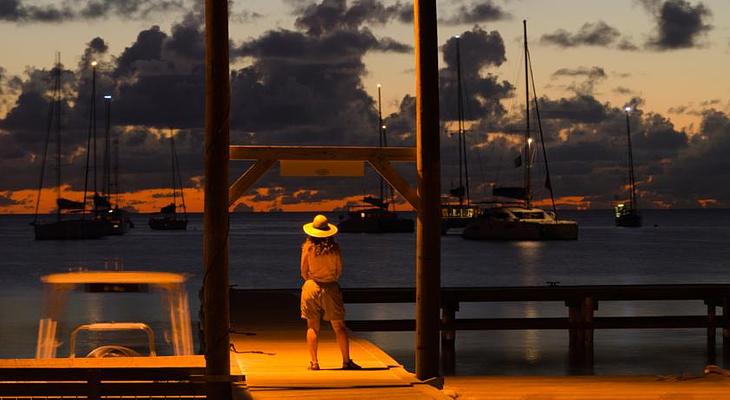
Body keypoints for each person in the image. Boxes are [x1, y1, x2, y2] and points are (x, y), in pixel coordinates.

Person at [300, 214, 361, 371]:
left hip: (311, 287)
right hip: (330, 287)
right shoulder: (335, 249)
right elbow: (339, 270)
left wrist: (313, 279)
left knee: (312, 326)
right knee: (339, 326)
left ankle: (314, 362)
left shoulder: (307, 248)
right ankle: (346, 361)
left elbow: (303, 271)